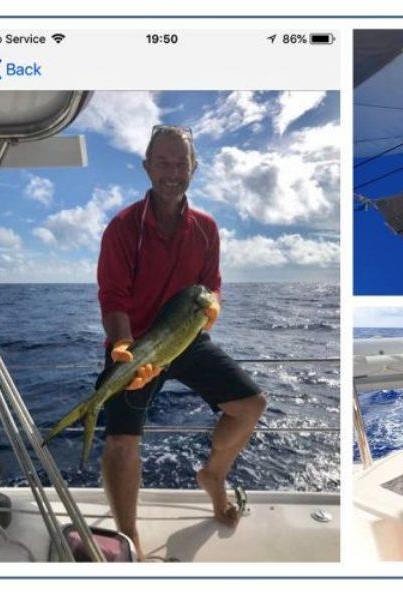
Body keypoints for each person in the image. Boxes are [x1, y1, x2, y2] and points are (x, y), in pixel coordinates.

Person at [95, 125, 266, 559]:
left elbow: (211, 287)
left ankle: (213, 476)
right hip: (134, 344)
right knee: (120, 442)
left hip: (185, 338)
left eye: (181, 163)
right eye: (164, 162)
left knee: (250, 406)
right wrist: (121, 346)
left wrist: (213, 307)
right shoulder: (122, 228)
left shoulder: (206, 228)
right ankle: (128, 534)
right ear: (147, 167)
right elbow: (113, 296)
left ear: (194, 167)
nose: (173, 172)